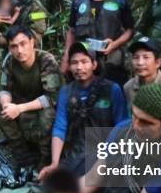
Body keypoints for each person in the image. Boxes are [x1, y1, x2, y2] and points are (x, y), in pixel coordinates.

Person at [41, 42, 128, 179]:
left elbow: (122, 125)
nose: (79, 67)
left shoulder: (112, 89)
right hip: (77, 153)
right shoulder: (66, 92)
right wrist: (54, 163)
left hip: (106, 153)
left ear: (94, 65)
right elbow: (60, 127)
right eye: (74, 63)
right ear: (69, 66)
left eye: (84, 61)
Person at [0, 26, 61, 170]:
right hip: (21, 102)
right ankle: (22, 154)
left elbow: (52, 97)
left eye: (23, 44)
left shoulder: (46, 60)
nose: (19, 50)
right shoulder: (9, 61)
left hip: (41, 105)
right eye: (14, 46)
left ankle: (45, 158)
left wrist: (19, 108)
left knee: (48, 114)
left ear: (32, 42)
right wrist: (6, 106)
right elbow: (4, 90)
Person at [60, 0, 134, 86]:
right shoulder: (78, 1)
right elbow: (71, 30)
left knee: (113, 97)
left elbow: (130, 30)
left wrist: (114, 44)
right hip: (84, 63)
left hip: (112, 61)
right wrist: (66, 58)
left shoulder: (119, 0)